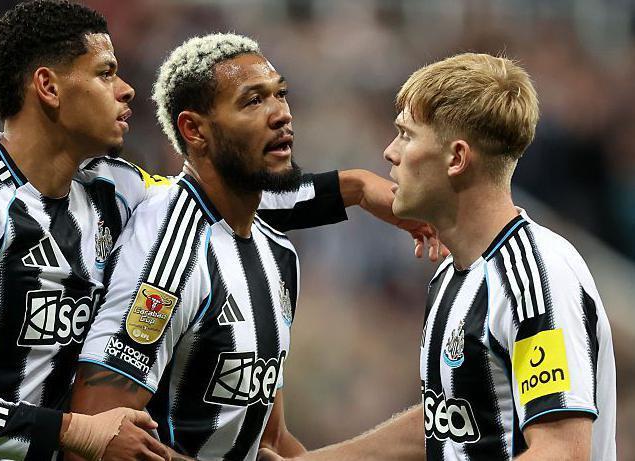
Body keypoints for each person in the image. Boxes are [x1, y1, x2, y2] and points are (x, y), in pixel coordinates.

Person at [0, 2, 440, 460]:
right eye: (105, 73)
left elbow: (225, 194)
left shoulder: (113, 190)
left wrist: (359, 190)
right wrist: (73, 430)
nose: (128, 88)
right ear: (48, 88)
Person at [68, 32, 439, 461]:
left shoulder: (274, 249)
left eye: (280, 95)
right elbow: (97, 440)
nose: (281, 114)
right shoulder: (168, 249)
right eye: (253, 101)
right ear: (194, 130)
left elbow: (268, 439)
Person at [258, 53, 616, 461]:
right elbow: (448, 421)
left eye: (406, 135)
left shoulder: (537, 275)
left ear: (457, 158)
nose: (389, 152)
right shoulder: (453, 274)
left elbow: (562, 451)